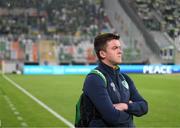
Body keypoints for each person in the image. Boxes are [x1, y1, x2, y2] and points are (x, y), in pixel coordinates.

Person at [82, 33, 148, 127]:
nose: (120, 51)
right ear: (102, 53)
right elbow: (112, 117)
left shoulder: (125, 78)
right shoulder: (94, 79)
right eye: (115, 48)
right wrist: (131, 112)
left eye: (120, 47)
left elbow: (144, 106)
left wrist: (125, 106)